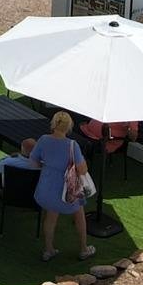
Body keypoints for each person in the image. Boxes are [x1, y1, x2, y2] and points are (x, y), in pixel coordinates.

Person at [33, 110, 96, 263]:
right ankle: (83, 249)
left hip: (47, 187)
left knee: (50, 217)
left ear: (53, 124)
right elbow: (82, 169)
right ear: (69, 127)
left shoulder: (43, 140)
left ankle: (48, 250)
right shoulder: (72, 145)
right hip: (69, 189)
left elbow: (34, 161)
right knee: (79, 216)